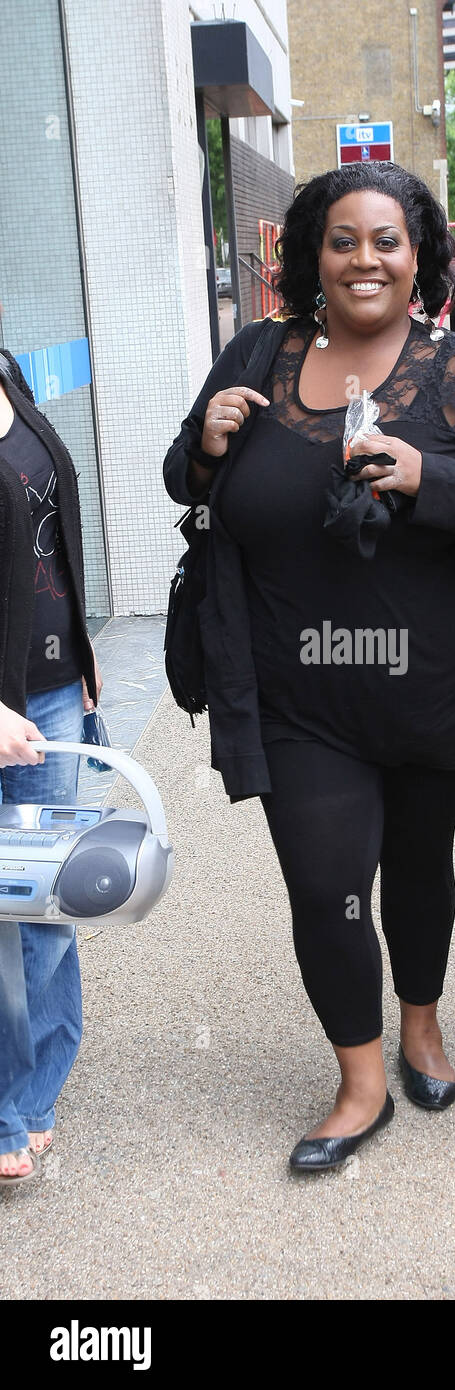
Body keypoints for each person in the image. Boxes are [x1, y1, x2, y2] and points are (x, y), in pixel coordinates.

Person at [164, 161, 455, 1171]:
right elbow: (186, 478)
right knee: (323, 885)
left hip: (430, 690)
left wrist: (432, 475)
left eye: (385, 240)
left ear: (419, 253)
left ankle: (420, 1024)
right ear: (314, 255)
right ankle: (360, 1081)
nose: (364, 259)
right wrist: (204, 446)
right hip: (296, 694)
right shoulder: (258, 351)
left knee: (416, 871)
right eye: (342, 240)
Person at [0, 349, 102, 1186]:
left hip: (54, 687)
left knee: (41, 899)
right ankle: (9, 1104)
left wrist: (83, 657)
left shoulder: (8, 375)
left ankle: (36, 1093)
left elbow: (51, 529)